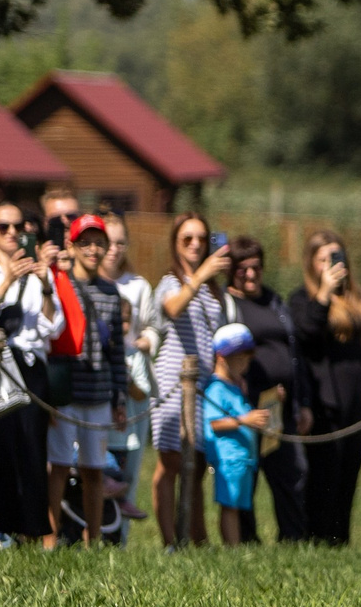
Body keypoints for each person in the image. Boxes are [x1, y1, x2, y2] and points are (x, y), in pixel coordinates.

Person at [0, 203, 54, 547]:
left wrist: (46, 284)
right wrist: (5, 283)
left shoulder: (37, 274)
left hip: (30, 369)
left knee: (32, 453)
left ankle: (30, 533)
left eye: (17, 226)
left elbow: (52, 324)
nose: (11, 233)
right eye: (2, 226)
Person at [47, 215, 128, 548]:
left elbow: (117, 352)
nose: (93, 250)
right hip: (66, 390)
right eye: (86, 243)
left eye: (99, 243)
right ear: (72, 246)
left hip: (98, 393)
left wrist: (119, 398)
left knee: (94, 469)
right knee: (60, 466)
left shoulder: (112, 292)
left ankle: (93, 538)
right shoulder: (61, 285)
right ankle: (49, 537)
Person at [291, 230, 361, 544]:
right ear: (311, 264)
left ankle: (341, 540)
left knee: (348, 479)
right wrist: (324, 293)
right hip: (325, 403)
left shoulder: (356, 298)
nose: (331, 264)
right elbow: (308, 335)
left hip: (357, 405)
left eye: (336, 257)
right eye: (323, 259)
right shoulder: (303, 299)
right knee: (323, 477)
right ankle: (318, 540)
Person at [152, 213, 230, 549]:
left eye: (201, 238)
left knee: (196, 465)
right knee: (171, 462)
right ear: (175, 243)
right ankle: (170, 541)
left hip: (202, 386)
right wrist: (199, 276)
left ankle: (196, 537)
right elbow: (173, 308)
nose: (196, 244)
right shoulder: (172, 280)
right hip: (173, 382)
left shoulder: (215, 290)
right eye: (187, 238)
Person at [224, 235, 308, 541]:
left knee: (291, 474)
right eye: (241, 268)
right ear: (230, 270)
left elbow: (292, 352)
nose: (249, 274)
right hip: (244, 405)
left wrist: (300, 402)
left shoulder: (274, 301)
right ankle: (247, 543)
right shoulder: (227, 304)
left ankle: (293, 541)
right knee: (246, 475)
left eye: (255, 267)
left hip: (278, 405)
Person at [101, 213, 157, 524]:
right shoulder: (86, 282)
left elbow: (150, 328)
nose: (113, 249)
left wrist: (145, 342)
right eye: (108, 242)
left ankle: (120, 536)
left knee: (129, 465)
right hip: (98, 383)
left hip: (132, 381)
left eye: (120, 242)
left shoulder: (138, 286)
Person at [201, 322, 272, 547]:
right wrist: (245, 420)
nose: (245, 364)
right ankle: (231, 548)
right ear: (222, 358)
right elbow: (213, 423)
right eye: (240, 358)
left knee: (238, 505)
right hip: (228, 456)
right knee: (229, 506)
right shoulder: (216, 388)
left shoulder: (234, 386)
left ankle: (237, 545)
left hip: (243, 457)